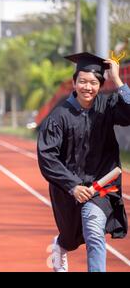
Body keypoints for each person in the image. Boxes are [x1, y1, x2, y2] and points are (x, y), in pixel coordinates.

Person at [37, 52, 129, 272]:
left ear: (100, 85)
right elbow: (47, 156)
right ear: (74, 83)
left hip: (101, 186)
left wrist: (117, 80)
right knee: (71, 237)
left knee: (94, 231)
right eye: (83, 82)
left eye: (94, 82)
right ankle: (61, 245)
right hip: (69, 190)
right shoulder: (58, 116)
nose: (88, 87)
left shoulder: (107, 106)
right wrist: (72, 186)